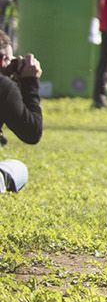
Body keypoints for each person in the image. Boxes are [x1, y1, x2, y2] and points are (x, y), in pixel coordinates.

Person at [0, 32, 42, 193]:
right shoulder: (4, 86)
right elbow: (32, 133)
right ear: (3, 60)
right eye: (11, 61)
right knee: (19, 168)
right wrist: (30, 83)